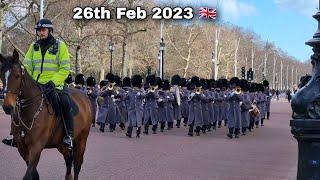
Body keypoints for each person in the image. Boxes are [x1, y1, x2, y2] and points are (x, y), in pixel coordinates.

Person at [2, 18, 74, 149]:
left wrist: (54, 81)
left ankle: (68, 136)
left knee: (64, 102)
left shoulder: (60, 46)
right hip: (36, 84)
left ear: (49, 30)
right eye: (39, 30)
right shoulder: (33, 46)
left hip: (54, 84)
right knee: (18, 102)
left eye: (43, 30)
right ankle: (15, 135)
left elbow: (64, 69)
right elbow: (28, 66)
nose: (41, 32)